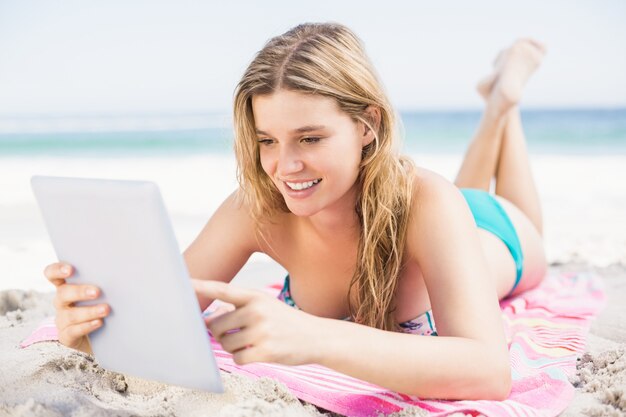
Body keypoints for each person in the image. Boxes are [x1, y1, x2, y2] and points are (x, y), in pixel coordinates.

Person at [44, 23, 548, 400]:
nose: (284, 167)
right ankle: (497, 104)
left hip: (491, 231)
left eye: (310, 137)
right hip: (439, 221)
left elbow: (488, 370)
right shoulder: (258, 208)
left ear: (367, 124)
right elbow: (163, 316)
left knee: (503, 212)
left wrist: (309, 335)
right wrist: (92, 329)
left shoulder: (429, 201)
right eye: (267, 140)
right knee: (458, 192)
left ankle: (506, 106)